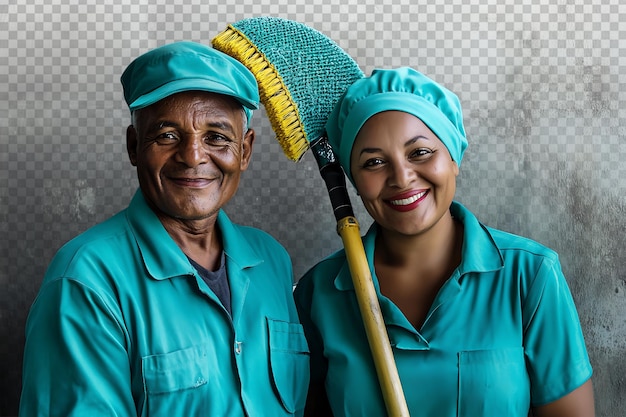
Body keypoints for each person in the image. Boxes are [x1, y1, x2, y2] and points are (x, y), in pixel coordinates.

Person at [19, 41, 309, 417]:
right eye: (167, 136)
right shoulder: (86, 280)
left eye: (217, 137)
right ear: (134, 146)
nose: (192, 156)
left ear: (245, 150)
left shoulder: (272, 260)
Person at [294, 67, 594, 416]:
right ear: (355, 182)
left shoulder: (530, 276)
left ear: (454, 158)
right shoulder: (320, 292)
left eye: (419, 152)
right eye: (374, 162)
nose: (402, 178)